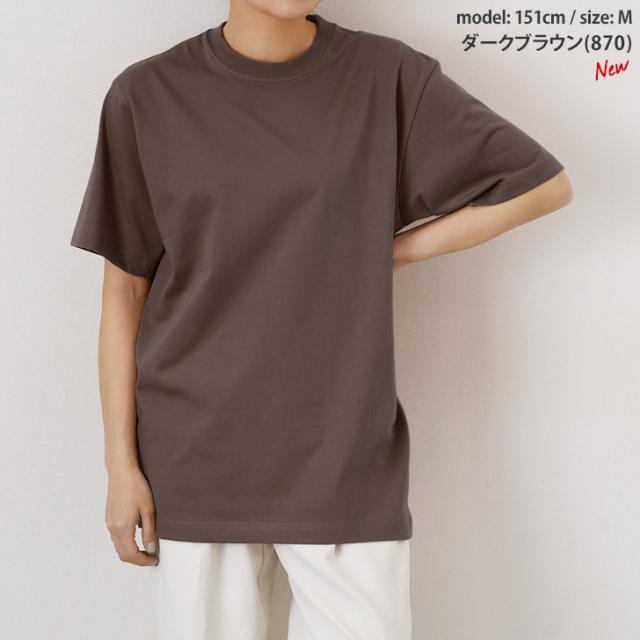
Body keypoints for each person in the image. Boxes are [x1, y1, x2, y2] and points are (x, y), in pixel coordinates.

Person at [69, 1, 573, 638]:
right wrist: (120, 466)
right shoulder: (146, 95)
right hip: (197, 457)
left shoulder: (386, 77)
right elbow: (123, 292)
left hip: (343, 456)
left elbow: (540, 185)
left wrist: (389, 251)